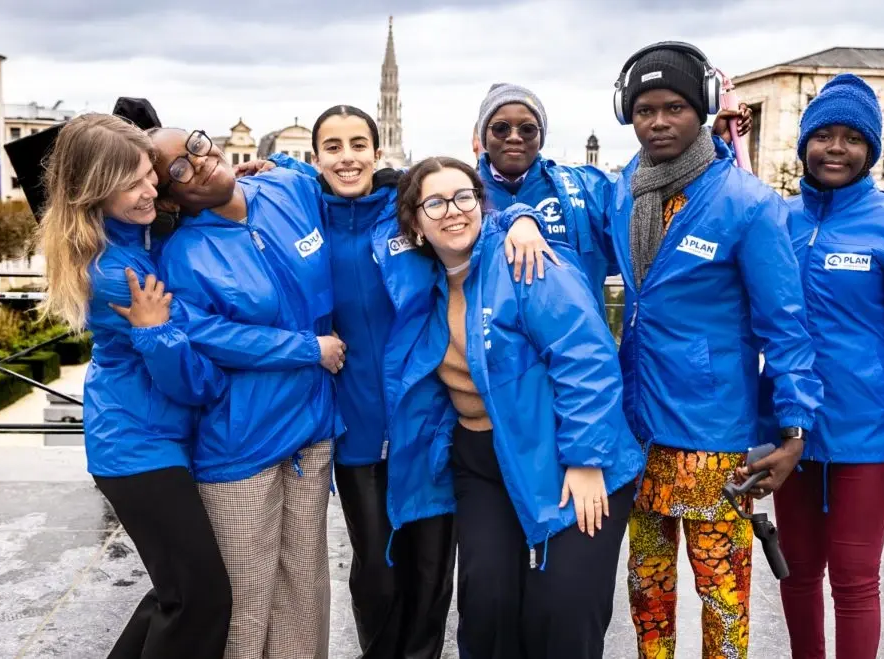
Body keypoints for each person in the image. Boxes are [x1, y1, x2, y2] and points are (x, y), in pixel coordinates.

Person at [240, 105, 554, 659]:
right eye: (332, 147)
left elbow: (468, 215)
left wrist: (521, 218)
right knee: (379, 572)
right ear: (316, 159)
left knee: (431, 573)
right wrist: (265, 168)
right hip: (356, 424)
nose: (348, 157)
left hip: (428, 421)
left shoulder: (402, 208)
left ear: (377, 149)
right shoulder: (305, 214)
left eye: (358, 144)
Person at [607, 42, 823, 658]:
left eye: (674, 106)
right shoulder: (625, 189)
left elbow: (785, 324)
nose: (658, 121)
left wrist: (793, 430)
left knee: (721, 595)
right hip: (642, 428)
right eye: (645, 108)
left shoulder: (747, 204)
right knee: (646, 588)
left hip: (713, 434)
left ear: (699, 109)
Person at [386, 156, 645, 658]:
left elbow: (586, 357)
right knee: (487, 611)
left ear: (481, 204)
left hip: (566, 454)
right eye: (434, 203)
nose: (452, 211)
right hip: (481, 461)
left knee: (563, 615)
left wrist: (587, 460)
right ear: (415, 225)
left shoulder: (524, 262)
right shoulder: (422, 285)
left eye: (463, 197)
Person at [745, 73, 884, 659]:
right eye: (823, 135)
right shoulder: (776, 220)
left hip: (868, 438)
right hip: (789, 435)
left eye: (852, 138)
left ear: (870, 151)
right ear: (804, 144)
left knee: (856, 582)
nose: (836, 148)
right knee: (797, 574)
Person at [33, 113, 232, 659]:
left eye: (151, 174)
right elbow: (193, 382)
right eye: (134, 183)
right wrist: (172, 343)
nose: (153, 189)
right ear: (93, 189)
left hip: (139, 438)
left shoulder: (122, 233)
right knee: (201, 599)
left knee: (177, 593)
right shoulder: (118, 271)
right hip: (139, 449)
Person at [147, 126, 343, 659]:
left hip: (312, 428)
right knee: (245, 599)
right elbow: (205, 334)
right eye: (178, 170)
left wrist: (278, 160)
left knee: (306, 588)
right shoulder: (182, 253)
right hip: (241, 439)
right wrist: (306, 349)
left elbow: (349, 184)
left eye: (196, 145)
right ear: (169, 196)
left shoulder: (284, 190)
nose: (199, 162)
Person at [474, 83, 753, 313]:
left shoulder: (586, 186)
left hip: (573, 349)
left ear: (541, 136)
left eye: (527, 129)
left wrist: (709, 143)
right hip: (489, 355)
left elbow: (651, 188)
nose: (514, 137)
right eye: (500, 128)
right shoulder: (461, 195)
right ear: (484, 136)